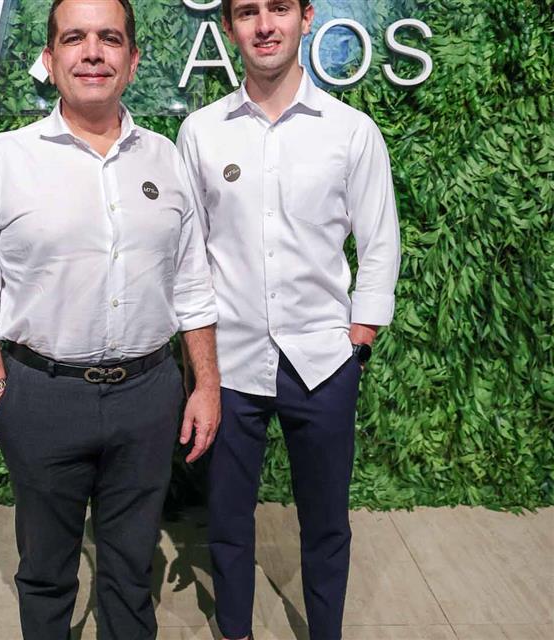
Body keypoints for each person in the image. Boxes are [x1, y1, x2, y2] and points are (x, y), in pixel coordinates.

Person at [0, 1, 221, 638]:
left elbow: (192, 285)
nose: (92, 52)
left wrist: (205, 384)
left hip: (148, 397)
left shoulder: (165, 159)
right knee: (46, 571)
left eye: (109, 39)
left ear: (132, 60)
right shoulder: (5, 159)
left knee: (132, 568)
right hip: (41, 398)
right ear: (50, 59)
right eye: (74, 38)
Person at [177, 1, 401, 638]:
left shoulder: (351, 131)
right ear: (228, 28)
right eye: (247, 12)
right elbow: (188, 253)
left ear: (306, 17)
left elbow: (380, 241)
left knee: (327, 522)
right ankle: (236, 631)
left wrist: (360, 337)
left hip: (324, 363)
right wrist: (201, 366)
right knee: (227, 521)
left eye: (278, 7)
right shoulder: (201, 132)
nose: (264, 25)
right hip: (230, 365)